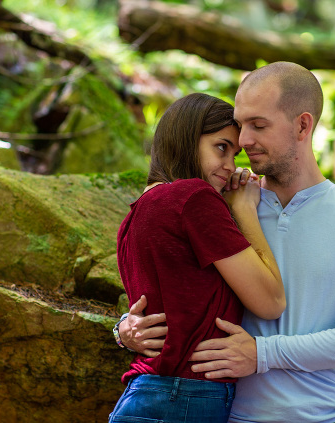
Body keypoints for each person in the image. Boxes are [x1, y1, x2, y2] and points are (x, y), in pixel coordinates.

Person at [117, 62, 335, 423]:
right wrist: (125, 328)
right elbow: (174, 286)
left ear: (302, 125)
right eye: (240, 125)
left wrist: (262, 354)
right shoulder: (220, 206)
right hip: (231, 414)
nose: (244, 141)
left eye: (258, 125)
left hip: (329, 415)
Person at [109, 93, 287, 423]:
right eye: (221, 147)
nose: (231, 166)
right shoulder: (193, 197)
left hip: (151, 392)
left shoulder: (133, 216)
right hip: (184, 400)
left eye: (235, 154)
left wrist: (121, 330)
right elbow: (271, 301)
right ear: (187, 139)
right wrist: (244, 208)